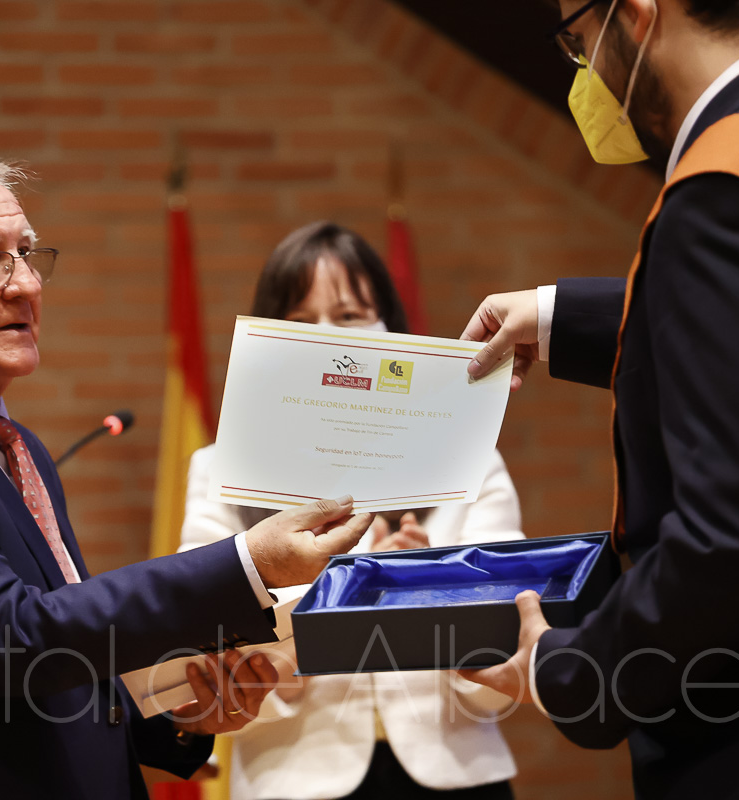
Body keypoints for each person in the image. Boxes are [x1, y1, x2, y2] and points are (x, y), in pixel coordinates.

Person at [0, 156, 374, 800]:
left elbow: (61, 658)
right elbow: (12, 640)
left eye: (27, 254)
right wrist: (247, 563)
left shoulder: (9, 443)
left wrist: (177, 712)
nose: (26, 285)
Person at [459, 1, 739, 798]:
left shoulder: (729, 186)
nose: (586, 79)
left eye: (579, 45)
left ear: (638, 15)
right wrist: (556, 319)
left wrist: (573, 671)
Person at [180, 222, 522, 800]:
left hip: (457, 773)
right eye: (299, 320)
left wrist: (430, 593)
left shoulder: (469, 459)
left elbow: (510, 654)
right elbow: (208, 658)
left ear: (391, 330)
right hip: (292, 780)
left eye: (349, 316)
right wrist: (350, 598)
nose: (326, 339)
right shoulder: (219, 469)